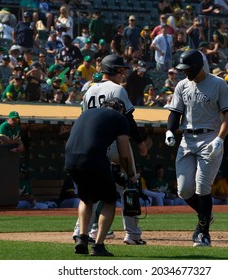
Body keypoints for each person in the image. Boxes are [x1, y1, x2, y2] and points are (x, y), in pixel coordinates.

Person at [165, 49, 228, 247]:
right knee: (184, 190)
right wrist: (170, 131)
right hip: (187, 139)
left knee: (202, 187)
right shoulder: (182, 85)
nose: (184, 72)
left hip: (209, 137)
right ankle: (206, 214)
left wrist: (219, 139)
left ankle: (203, 233)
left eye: (187, 69)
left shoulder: (218, 84)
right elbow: (175, 112)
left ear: (197, 67)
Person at [82, 54, 148, 245]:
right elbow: (127, 119)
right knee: (129, 186)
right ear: (113, 70)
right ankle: (133, 234)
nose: (123, 73)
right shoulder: (118, 90)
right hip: (117, 143)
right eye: (121, 69)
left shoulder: (89, 91)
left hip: (96, 146)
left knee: (93, 190)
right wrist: (140, 141)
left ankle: (83, 231)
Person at [65, 98, 136, 256]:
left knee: (86, 199)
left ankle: (82, 238)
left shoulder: (86, 113)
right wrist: (131, 175)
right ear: (121, 110)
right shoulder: (119, 118)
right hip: (93, 158)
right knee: (109, 200)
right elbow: (124, 153)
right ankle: (98, 246)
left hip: (70, 159)